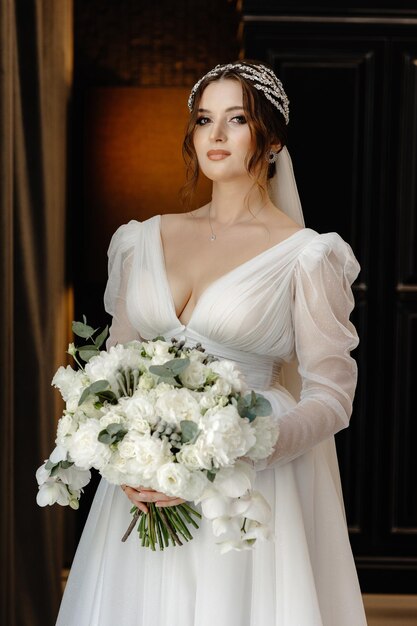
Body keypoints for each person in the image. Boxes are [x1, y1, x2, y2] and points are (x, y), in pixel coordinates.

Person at [56, 61, 367, 626]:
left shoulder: (308, 256)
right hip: (146, 483)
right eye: (203, 120)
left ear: (269, 139)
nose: (216, 136)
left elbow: (332, 396)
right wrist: (121, 448)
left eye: (236, 119)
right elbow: (114, 370)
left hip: (247, 486)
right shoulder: (140, 239)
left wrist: (240, 450)